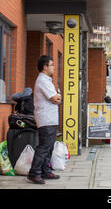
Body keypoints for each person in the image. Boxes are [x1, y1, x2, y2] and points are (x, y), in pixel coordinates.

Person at [27, 56, 61, 185]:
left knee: (49, 147)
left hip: (51, 119)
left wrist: (57, 97)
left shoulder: (47, 80)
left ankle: (45, 171)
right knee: (44, 147)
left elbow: (58, 98)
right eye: (51, 65)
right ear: (45, 67)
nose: (53, 67)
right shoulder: (42, 81)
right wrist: (57, 97)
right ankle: (34, 173)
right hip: (46, 119)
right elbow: (55, 98)